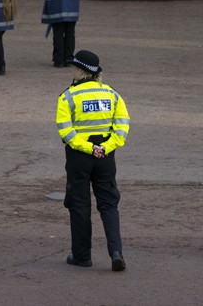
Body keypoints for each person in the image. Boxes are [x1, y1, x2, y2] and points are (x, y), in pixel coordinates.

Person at [56, 50, 130, 271]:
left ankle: (82, 256)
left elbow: (65, 132)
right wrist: (105, 147)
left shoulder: (68, 96)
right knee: (109, 205)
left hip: (80, 157)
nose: (72, 70)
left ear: (80, 70)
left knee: (79, 205)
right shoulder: (112, 94)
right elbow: (123, 125)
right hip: (105, 157)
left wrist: (89, 148)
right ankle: (116, 252)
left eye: (73, 67)